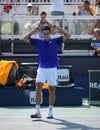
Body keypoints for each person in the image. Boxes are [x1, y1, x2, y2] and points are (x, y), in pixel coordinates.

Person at [23, 25, 71, 119]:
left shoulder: (56, 40)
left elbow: (68, 35)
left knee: (52, 90)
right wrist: (33, 30)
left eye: (47, 33)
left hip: (52, 69)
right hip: (42, 68)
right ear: (42, 33)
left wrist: (59, 28)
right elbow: (24, 38)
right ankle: (38, 111)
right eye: (44, 34)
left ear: (50, 33)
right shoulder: (38, 42)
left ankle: (50, 112)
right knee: (38, 88)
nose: (45, 35)